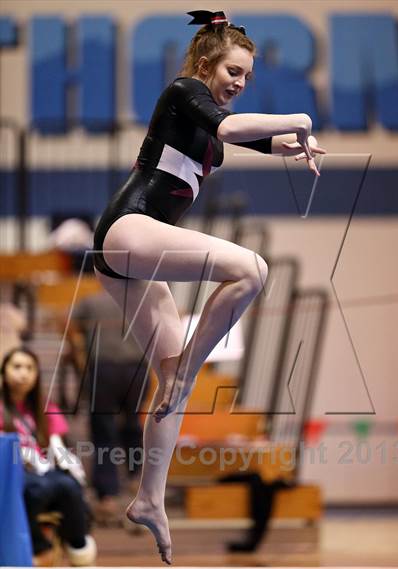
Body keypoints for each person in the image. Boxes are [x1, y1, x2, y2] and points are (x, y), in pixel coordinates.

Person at [92, 9, 326, 565]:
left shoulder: (210, 130)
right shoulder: (182, 92)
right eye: (234, 72)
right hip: (128, 227)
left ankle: (149, 499)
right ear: (205, 65)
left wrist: (287, 148)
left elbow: (233, 141)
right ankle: (186, 370)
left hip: (129, 257)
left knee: (172, 388)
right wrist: (297, 118)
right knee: (253, 269)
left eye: (247, 76)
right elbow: (226, 128)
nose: (240, 84)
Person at [0, 347, 97, 567]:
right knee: (36, 489)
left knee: (69, 485)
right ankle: (39, 548)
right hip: (9, 475)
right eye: (17, 367)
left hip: (41, 471)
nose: (23, 373)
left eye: (29, 368)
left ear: (36, 375)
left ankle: (78, 548)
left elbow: (55, 442)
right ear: (3, 371)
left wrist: (69, 463)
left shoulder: (45, 406)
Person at [69, 290, 149, 524]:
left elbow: (68, 325)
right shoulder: (144, 300)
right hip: (137, 368)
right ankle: (137, 480)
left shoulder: (91, 301)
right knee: (133, 424)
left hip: (103, 369)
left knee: (103, 431)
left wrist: (78, 357)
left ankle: (108, 496)